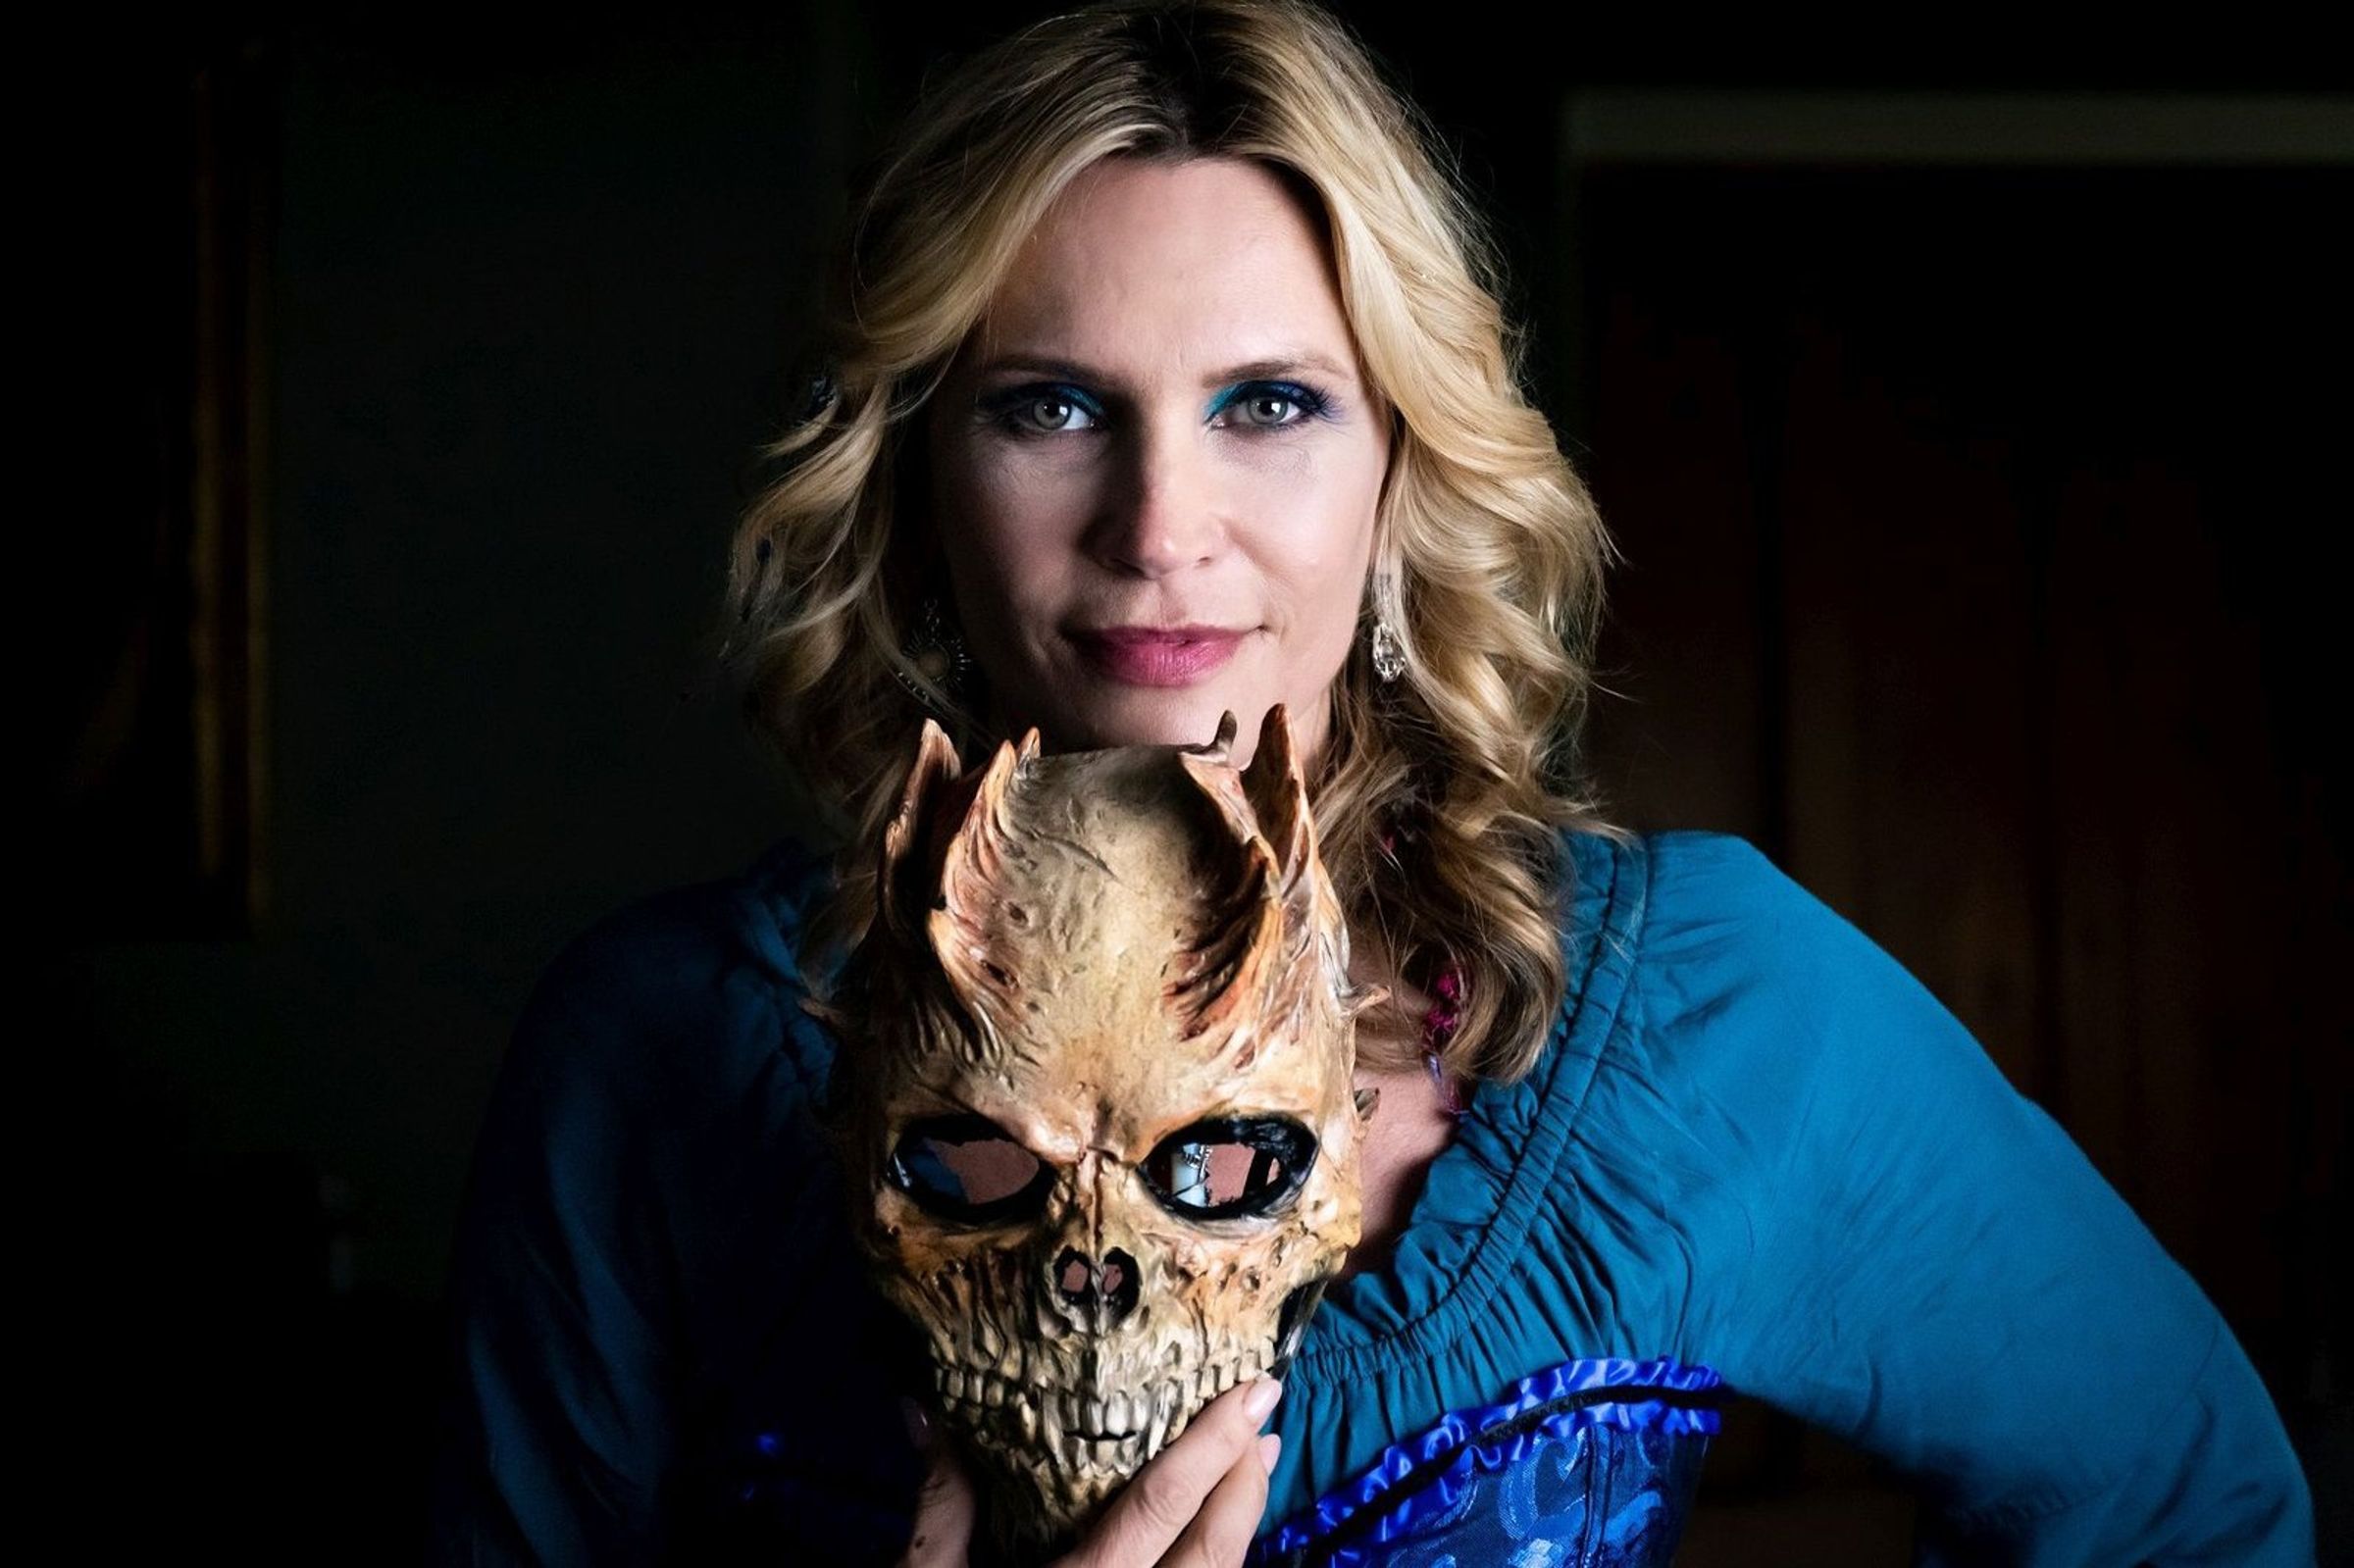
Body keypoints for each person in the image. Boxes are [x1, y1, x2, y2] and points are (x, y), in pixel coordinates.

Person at [425, 1, 2317, 1563]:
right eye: (1051, 405)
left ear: (1402, 468)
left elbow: (2200, 1510)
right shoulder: (654, 1057)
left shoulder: (1705, 1015)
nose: (1162, 529)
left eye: (1269, 404)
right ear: (922, 481)